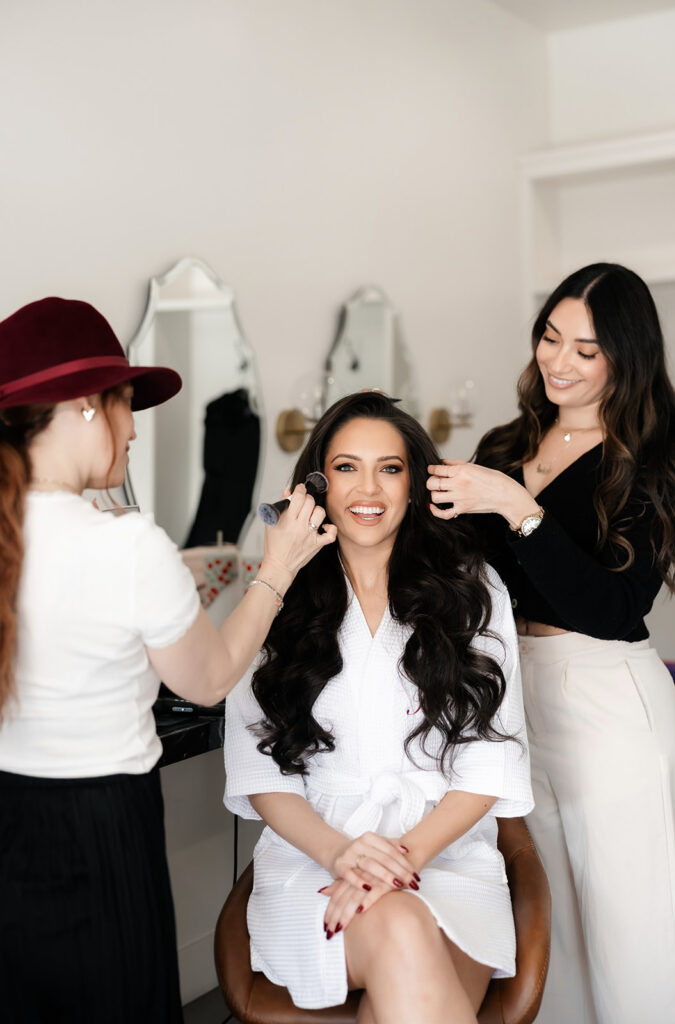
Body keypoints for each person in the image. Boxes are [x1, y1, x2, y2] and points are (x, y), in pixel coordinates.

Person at [0, 296, 336, 1024]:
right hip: (98, 827)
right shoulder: (123, 544)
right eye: (127, 408)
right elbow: (210, 678)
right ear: (89, 406)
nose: (133, 434)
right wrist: (276, 571)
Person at [223, 391, 533, 1024]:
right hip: (313, 864)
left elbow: (492, 764)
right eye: (345, 467)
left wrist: (403, 860)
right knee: (403, 937)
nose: (369, 487)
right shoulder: (276, 599)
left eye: (389, 468)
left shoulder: (473, 591)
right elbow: (259, 773)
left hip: (445, 862)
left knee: (405, 943)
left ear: (415, 484)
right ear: (317, 484)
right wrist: (343, 856)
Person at [426, 263, 675, 1024]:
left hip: (606, 695)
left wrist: (517, 507)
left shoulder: (655, 455)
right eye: (549, 337)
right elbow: (457, 572)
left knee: (629, 924)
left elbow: (612, 605)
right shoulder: (507, 441)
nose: (558, 361)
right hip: (513, 691)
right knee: (546, 917)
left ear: (623, 360)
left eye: (586, 349)